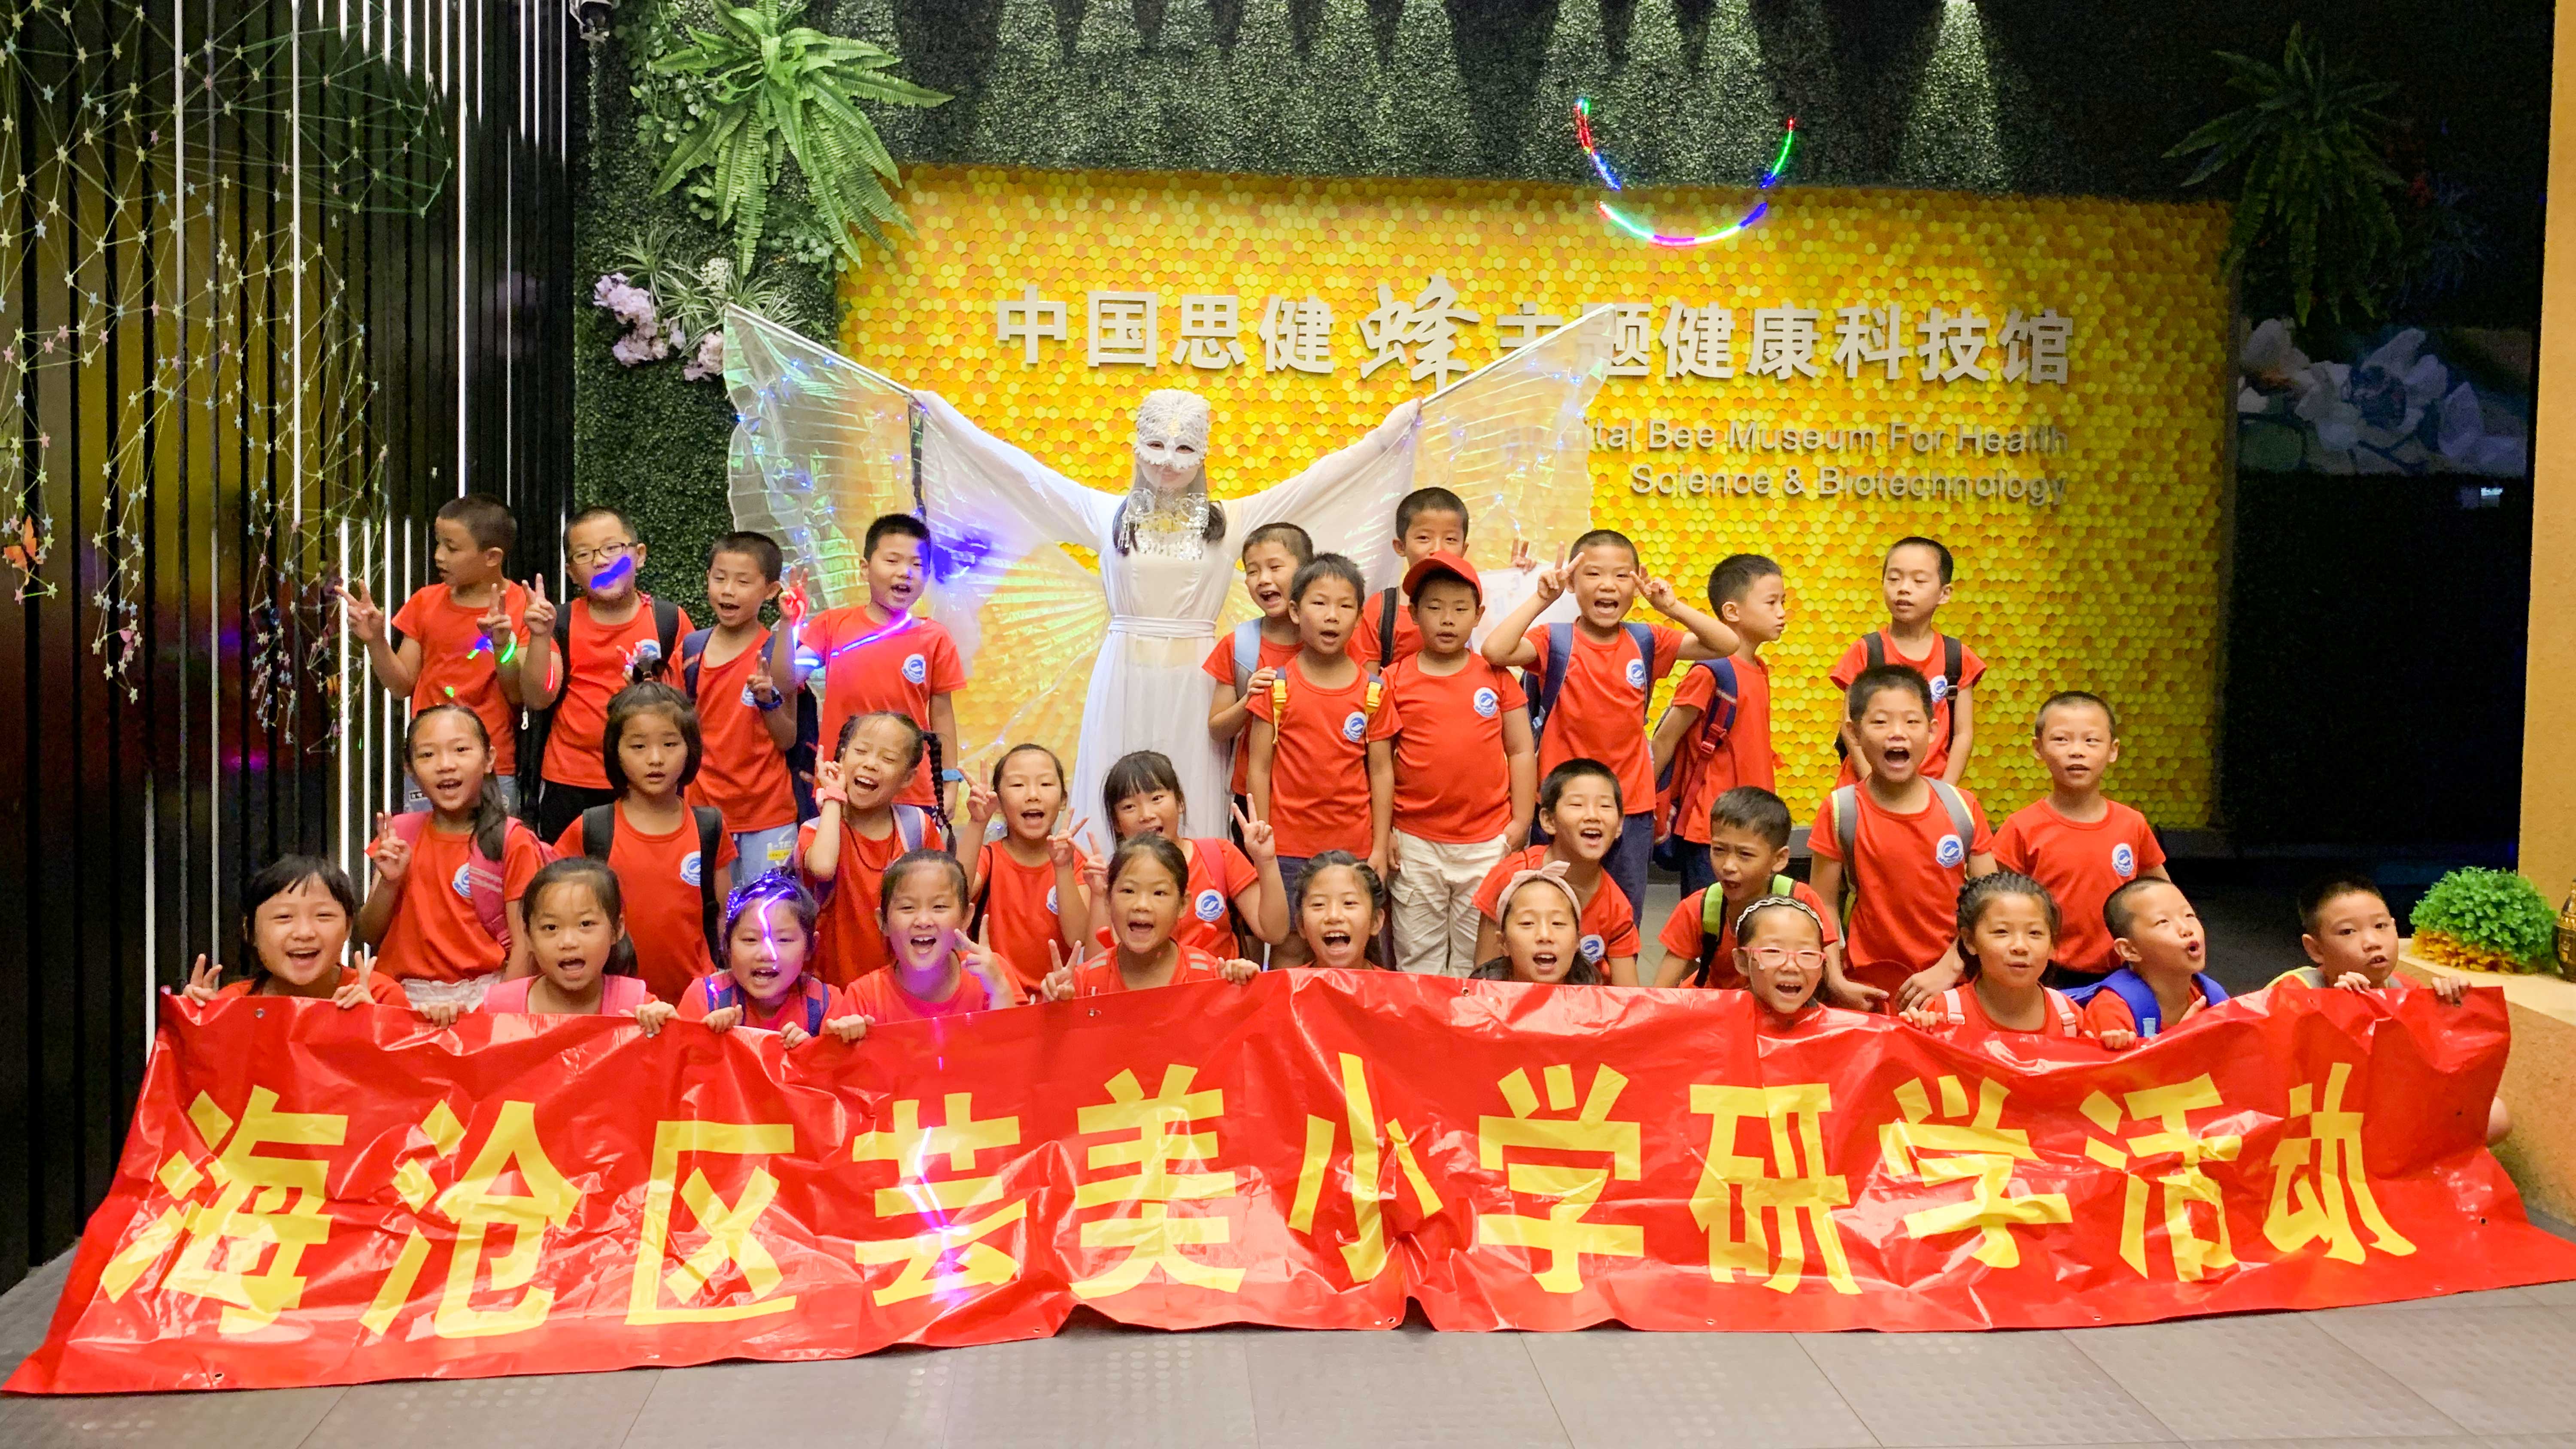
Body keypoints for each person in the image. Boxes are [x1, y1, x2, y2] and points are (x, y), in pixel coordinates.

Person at [1482, 528, 1739, 922]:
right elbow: (1495, 650)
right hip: (1561, 805)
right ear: (1571, 583)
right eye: (1593, 574)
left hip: (1629, 807)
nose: (1608, 585)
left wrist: (1671, 607)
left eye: (1621, 576)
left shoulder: (1648, 640)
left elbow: (1726, 644)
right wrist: (1542, 599)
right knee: (1552, 910)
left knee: (1622, 915)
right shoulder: (1555, 640)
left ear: (1636, 585)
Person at [1366, 551, 1536, 976]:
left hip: (1487, 841)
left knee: (1476, 959)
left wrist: (1521, 820)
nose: (1447, 620)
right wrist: (1385, 833)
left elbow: (1520, 750)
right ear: (1413, 614)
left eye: (1460, 609)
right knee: (1417, 958)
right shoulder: (1393, 680)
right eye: (1435, 608)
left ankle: (1466, 1021)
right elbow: (1380, 765)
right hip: (1416, 843)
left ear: (1478, 615)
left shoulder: (1496, 676)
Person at [1807, 666, 1996, 1011]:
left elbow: (1990, 904)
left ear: (1933, 730)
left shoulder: (1962, 808)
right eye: (1880, 722)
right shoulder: (1840, 810)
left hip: (1952, 987)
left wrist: (1950, 968)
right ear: (1854, 732)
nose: (1897, 734)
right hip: (1868, 986)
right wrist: (1834, 978)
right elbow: (1823, 905)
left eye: (1912, 722)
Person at [2271, 876, 2506, 1143]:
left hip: (2385, 1113)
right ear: (2315, 949)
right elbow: (2273, 1071)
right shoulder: (2295, 990)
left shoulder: (2409, 991)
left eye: (2381, 926)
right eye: (2348, 932)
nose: (2372, 941)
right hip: (2323, 1117)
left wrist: (2450, 1010)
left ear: (2395, 928)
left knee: (2495, 1116)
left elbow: (2430, 1074)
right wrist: (2335, 1008)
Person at [553, 668, 737, 1006]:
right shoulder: (591, 829)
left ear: (691, 749)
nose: (655, 759)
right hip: (616, 1004)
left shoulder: (709, 828)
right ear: (616, 752)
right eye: (638, 746)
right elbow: (557, 916)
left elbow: (723, 917)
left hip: (697, 1003)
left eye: (670, 744)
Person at [339, 493, 532, 813]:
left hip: (492, 763)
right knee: (426, 843)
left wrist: (504, 644)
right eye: (439, 544)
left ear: (492, 557)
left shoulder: (522, 607)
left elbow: (518, 694)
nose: (439, 556)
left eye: (452, 548)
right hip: (428, 761)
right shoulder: (425, 601)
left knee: (493, 844)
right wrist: (375, 641)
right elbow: (401, 685)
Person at [359, 705, 551, 1014]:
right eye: (427, 755)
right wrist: (390, 883)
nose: (445, 765)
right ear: (409, 769)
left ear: (489, 759)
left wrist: (498, 1015)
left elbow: (525, 946)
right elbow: (368, 933)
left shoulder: (512, 841)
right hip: (401, 1000)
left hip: (480, 1001)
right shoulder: (400, 834)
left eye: (461, 750)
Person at [772, 512, 966, 818]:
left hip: (912, 792)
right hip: (842, 784)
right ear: (865, 569)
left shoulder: (935, 638)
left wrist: (949, 782)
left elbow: (942, 717)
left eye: (917, 565)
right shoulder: (832, 626)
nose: (905, 573)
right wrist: (788, 624)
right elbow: (785, 681)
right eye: (892, 561)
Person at [518, 506, 693, 839]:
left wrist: (651, 693)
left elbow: (690, 705)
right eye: (584, 554)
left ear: (639, 556)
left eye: (613, 548)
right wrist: (540, 636)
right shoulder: (560, 622)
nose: (600, 561)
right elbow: (539, 697)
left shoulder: (669, 620)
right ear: (571, 572)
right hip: (571, 782)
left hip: (649, 779)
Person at [1247, 555, 1388, 922]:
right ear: (1295, 612)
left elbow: (1381, 772)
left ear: (1359, 618)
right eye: (1320, 603)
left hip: (1355, 848)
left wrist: (1379, 846)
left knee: (1350, 938)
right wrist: (1263, 841)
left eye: (1345, 606)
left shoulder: (1374, 691)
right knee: (1290, 942)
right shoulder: (1275, 686)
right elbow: (1259, 768)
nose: (1332, 616)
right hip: (1287, 848)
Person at [1990, 692, 2168, 982]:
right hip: (2044, 974)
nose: (2077, 751)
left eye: (2091, 741)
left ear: (2113, 750)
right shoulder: (2020, 827)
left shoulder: (2132, 824)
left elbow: (2163, 895)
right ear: (2038, 748)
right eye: (2061, 740)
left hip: (2122, 973)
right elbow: (1992, 903)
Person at [1652, 554, 1786, 898]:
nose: (1782, 613)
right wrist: (1642, 805)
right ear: (1732, 612)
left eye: (1783, 602)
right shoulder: (1710, 672)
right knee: (1708, 918)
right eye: (1771, 602)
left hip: (1756, 824)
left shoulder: (1759, 668)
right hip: (1712, 830)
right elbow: (1665, 740)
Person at [681, 530, 804, 878]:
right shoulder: (691, 650)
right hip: (703, 813)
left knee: (770, 908)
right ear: (707, 578)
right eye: (720, 578)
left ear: (771, 590)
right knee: (712, 908)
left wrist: (768, 700)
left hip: (768, 816)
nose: (728, 590)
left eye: (743, 582)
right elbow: (675, 727)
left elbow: (787, 739)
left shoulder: (775, 652)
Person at [799, 712, 947, 985]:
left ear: (908, 778)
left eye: (888, 759)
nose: (870, 764)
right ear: (842, 758)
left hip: (901, 988)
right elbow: (822, 868)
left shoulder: (917, 827)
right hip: (833, 989)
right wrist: (833, 796)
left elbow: (948, 893)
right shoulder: (817, 831)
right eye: (861, 751)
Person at [1093, 750, 1284, 958]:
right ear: (1116, 822)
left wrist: (1266, 861)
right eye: (1129, 807)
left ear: (1180, 802)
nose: (1146, 815)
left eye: (1156, 798)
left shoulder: (1219, 855)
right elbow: (1101, 962)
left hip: (1217, 979)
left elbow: (1275, 933)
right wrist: (1099, 896)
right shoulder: (1114, 877)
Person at [1469, 760, 1641, 986]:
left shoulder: (1617, 907)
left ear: (1619, 825)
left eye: (1605, 806)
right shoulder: (1508, 876)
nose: (1593, 816)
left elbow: (1628, 996)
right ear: (1549, 821)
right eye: (1577, 805)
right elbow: (1485, 974)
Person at [1831, 537, 1984, 787]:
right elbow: (1850, 727)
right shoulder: (1866, 651)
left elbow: (1963, 734)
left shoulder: (1957, 657)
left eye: (1919, 581)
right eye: (1894, 579)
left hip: (1930, 791)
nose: (1903, 588)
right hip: (1863, 792)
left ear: (1945, 594)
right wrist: (1873, 786)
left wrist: (1946, 792)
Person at [1654, 787, 1841, 988]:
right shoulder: (1698, 909)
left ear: (1779, 859)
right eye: (1719, 850)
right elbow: (1660, 992)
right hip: (1719, 1004)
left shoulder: (1802, 902)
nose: (1728, 866)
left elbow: (1833, 980)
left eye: (1745, 855)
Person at [1042, 835, 1261, 997]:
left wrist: (1244, 986)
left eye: (1159, 893)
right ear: (1108, 900)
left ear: (1183, 904)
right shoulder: (1083, 985)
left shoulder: (1210, 976)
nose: (1142, 905)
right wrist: (1059, 1009)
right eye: (1129, 891)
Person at [475, 858, 676, 1032]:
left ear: (617, 929)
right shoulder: (497, 1010)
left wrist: (669, 1029)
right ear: (528, 936)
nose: (568, 942)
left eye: (585, 924)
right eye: (551, 927)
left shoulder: (637, 1006)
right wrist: (455, 1026)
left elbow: (679, 1058)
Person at [179, 856, 406, 1009]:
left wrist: (373, 1025)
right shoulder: (232, 1005)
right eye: (284, 917)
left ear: (348, 927)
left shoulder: (381, 997)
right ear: (251, 932)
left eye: (323, 916)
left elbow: (406, 1066)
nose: (304, 933)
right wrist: (197, 1026)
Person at [964, 743, 1093, 997]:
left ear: (1063, 799)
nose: (1033, 795)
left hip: (1056, 1000)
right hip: (995, 1001)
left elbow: (1078, 937)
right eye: (1018, 785)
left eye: (1045, 784)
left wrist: (1062, 868)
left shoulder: (1075, 862)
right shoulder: (988, 857)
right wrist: (977, 823)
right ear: (998, 803)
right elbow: (955, 898)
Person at [838, 849, 1024, 1023]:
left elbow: (1015, 1042)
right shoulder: (863, 998)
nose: (923, 921)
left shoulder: (993, 973)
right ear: (883, 921)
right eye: (907, 908)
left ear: (966, 917)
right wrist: (849, 1036)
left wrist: (999, 989)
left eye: (939, 907)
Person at [1206, 522, 1313, 817]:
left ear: (1306, 571)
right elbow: (1217, 729)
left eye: (1275, 567)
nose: (1263, 579)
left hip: (1317, 796)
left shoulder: (1332, 640)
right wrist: (1249, 700)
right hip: (1252, 796)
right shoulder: (1238, 646)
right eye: (1253, 571)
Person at [1901, 872, 2084, 1043]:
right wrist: (1920, 1035)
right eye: (2001, 932)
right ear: (1970, 941)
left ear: (2053, 944)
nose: (2020, 947)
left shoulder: (2070, 1019)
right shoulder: (1943, 1013)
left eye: (2035, 933)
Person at [677, 872, 841, 1044]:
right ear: (727, 944)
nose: (766, 954)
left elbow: (838, 1060)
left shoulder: (827, 1004)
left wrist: (812, 1053)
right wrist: (704, 1040)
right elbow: (678, 1058)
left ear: (811, 946)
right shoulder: (705, 997)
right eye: (750, 939)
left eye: (784, 940)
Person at [2079, 878, 2229, 1049]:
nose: (2187, 929)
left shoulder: (2214, 997)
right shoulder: (2110, 1011)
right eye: (2163, 922)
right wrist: (2175, 1044)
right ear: (2129, 950)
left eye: (2189, 916)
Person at [1357, 486, 1467, 670]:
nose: (1437, 549)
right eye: (1424, 538)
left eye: (1450, 539)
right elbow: (1370, 682)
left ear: (1464, 549)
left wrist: (1515, 578)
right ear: (1401, 546)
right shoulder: (1382, 610)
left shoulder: (1478, 604)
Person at [1469, 861, 1603, 985]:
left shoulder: (1594, 999)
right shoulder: (1480, 996)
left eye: (1558, 923)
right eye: (1527, 923)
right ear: (1503, 942)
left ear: (1577, 941)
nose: (1545, 935)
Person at [1732, 896, 1835, 1030]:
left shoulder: (1837, 1031)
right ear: (1742, 962)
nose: (1791, 966)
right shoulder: (1718, 1025)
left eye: (1807, 954)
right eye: (1773, 951)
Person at [1292, 852, 1390, 970]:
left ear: (1376, 921)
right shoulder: (1286, 983)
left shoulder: (1397, 983)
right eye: (1319, 904)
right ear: (1301, 924)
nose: (1334, 916)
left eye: (1349, 903)